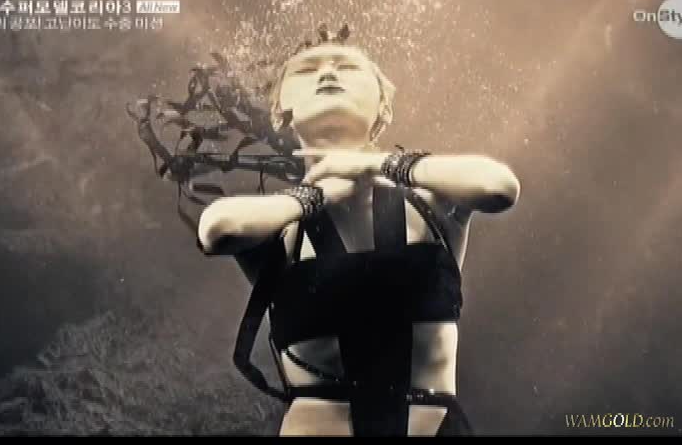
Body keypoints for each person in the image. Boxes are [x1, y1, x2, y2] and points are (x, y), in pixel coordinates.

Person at [196, 26, 521, 436]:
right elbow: (217, 229)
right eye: (306, 69)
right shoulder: (278, 224)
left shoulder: (431, 200)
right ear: (279, 111)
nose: (328, 73)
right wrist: (315, 195)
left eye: (347, 66)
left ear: (384, 108)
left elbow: (498, 186)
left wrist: (375, 164)